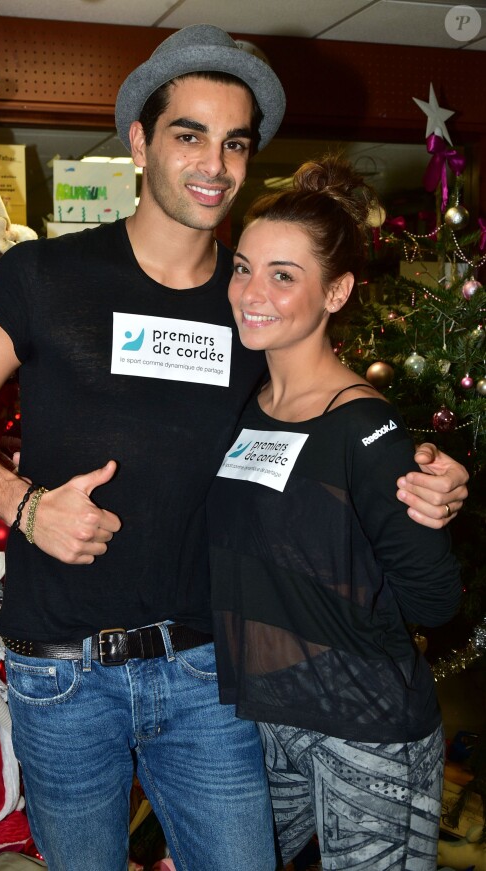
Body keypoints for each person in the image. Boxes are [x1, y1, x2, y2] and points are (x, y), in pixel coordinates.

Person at [0, 25, 467, 871]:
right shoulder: (43, 279)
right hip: (62, 675)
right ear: (139, 142)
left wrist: (424, 473)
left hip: (207, 671)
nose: (214, 163)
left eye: (234, 141)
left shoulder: (253, 306)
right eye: (189, 134)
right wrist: (25, 507)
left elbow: (326, 409)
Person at [207, 155, 462, 871]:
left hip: (367, 730)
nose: (252, 293)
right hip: (263, 723)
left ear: (337, 291)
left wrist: (432, 515)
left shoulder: (365, 427)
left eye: (284, 276)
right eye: (245, 268)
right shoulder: (244, 407)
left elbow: (435, 599)